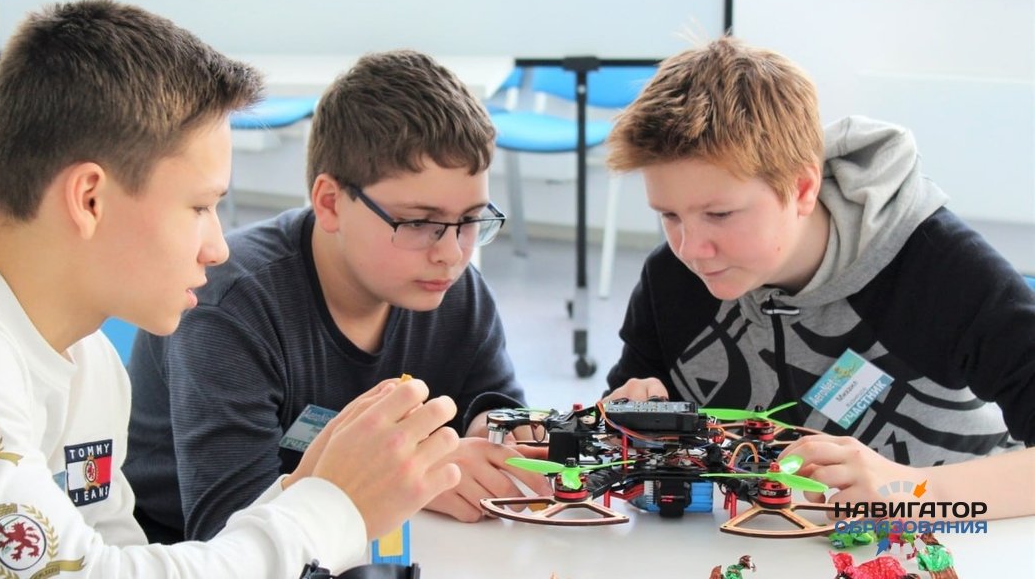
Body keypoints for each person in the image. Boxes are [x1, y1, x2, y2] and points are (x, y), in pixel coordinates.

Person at [0, 0, 461, 578]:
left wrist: (308, 487)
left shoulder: (90, 360)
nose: (218, 248)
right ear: (90, 199)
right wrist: (330, 508)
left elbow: (121, 557)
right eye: (201, 206)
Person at [124, 49, 551, 543]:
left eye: (471, 220)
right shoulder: (230, 306)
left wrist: (496, 432)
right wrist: (411, 475)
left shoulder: (456, 292)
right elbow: (226, 527)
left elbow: (496, 406)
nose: (452, 254)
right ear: (330, 203)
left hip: (381, 538)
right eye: (419, 223)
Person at [602, 35, 1035, 519]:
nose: (690, 249)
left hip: (960, 541)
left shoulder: (940, 267)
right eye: (669, 215)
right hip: (758, 545)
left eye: (719, 214)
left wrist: (912, 493)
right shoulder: (670, 280)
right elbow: (626, 445)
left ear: (803, 188)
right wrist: (625, 430)